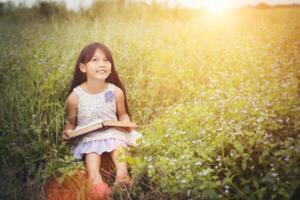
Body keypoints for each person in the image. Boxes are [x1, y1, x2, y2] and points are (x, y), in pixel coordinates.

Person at [61, 42, 134, 199]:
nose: (102, 64)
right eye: (95, 60)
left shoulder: (114, 92)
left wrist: (125, 123)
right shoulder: (75, 97)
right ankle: (96, 182)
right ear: (82, 67)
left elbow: (122, 114)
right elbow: (71, 123)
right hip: (89, 135)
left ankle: (122, 176)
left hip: (113, 130)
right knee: (92, 152)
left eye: (106, 60)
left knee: (117, 143)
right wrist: (68, 131)